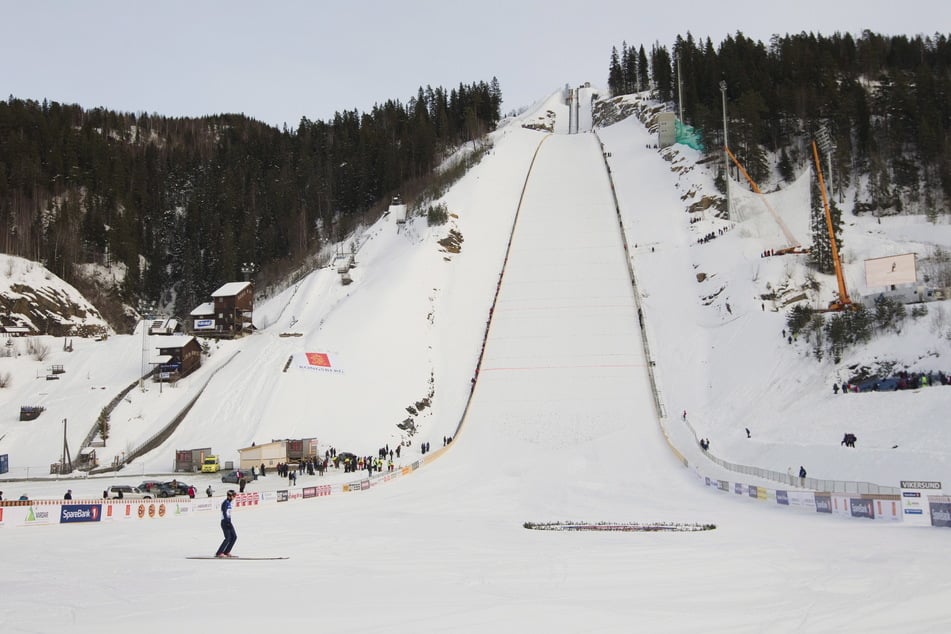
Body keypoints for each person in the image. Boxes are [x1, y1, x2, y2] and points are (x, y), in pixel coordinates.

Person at [215, 490, 237, 558]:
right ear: (229, 496)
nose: (234, 497)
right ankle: (219, 553)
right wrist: (227, 522)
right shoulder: (225, 503)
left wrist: (229, 522)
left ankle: (226, 551)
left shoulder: (229, 503)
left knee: (234, 537)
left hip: (228, 522)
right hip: (225, 522)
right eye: (233, 496)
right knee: (228, 538)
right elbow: (224, 513)